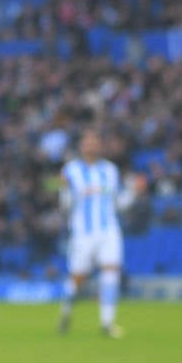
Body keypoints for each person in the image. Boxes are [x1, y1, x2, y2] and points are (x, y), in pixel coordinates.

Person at [56, 128, 130, 338]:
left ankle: (107, 323)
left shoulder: (110, 170)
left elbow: (119, 203)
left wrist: (133, 192)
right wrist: (64, 189)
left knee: (111, 271)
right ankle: (66, 310)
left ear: (100, 146)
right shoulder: (70, 170)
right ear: (81, 146)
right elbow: (65, 205)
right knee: (77, 277)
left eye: (95, 141)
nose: (91, 145)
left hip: (109, 230)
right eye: (87, 142)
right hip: (83, 233)